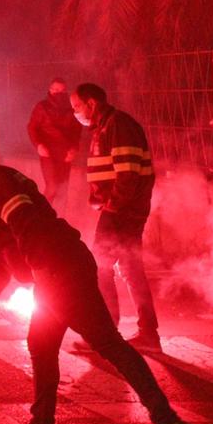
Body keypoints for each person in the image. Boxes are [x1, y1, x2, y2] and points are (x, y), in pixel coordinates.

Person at [0, 137, 202, 424]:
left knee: (109, 344)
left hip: (57, 268)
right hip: (55, 266)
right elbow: (1, 251)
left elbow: (23, 219)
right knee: (41, 344)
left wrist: (37, 266)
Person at [71, 82, 160, 351]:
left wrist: (112, 205)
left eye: (77, 107)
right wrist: (97, 196)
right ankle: (148, 334)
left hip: (122, 212)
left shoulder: (118, 125)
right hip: (120, 209)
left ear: (92, 104)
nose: (75, 113)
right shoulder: (105, 127)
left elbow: (128, 173)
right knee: (131, 269)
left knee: (100, 267)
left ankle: (106, 333)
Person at [27, 77, 82, 209]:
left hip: (65, 154)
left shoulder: (71, 109)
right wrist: (38, 145)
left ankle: (61, 221)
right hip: (48, 153)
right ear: (50, 90)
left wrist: (74, 148)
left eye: (62, 90)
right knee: (53, 186)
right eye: (56, 90)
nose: (59, 93)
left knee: (63, 190)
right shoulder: (42, 107)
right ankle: (41, 215)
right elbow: (32, 127)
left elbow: (76, 131)